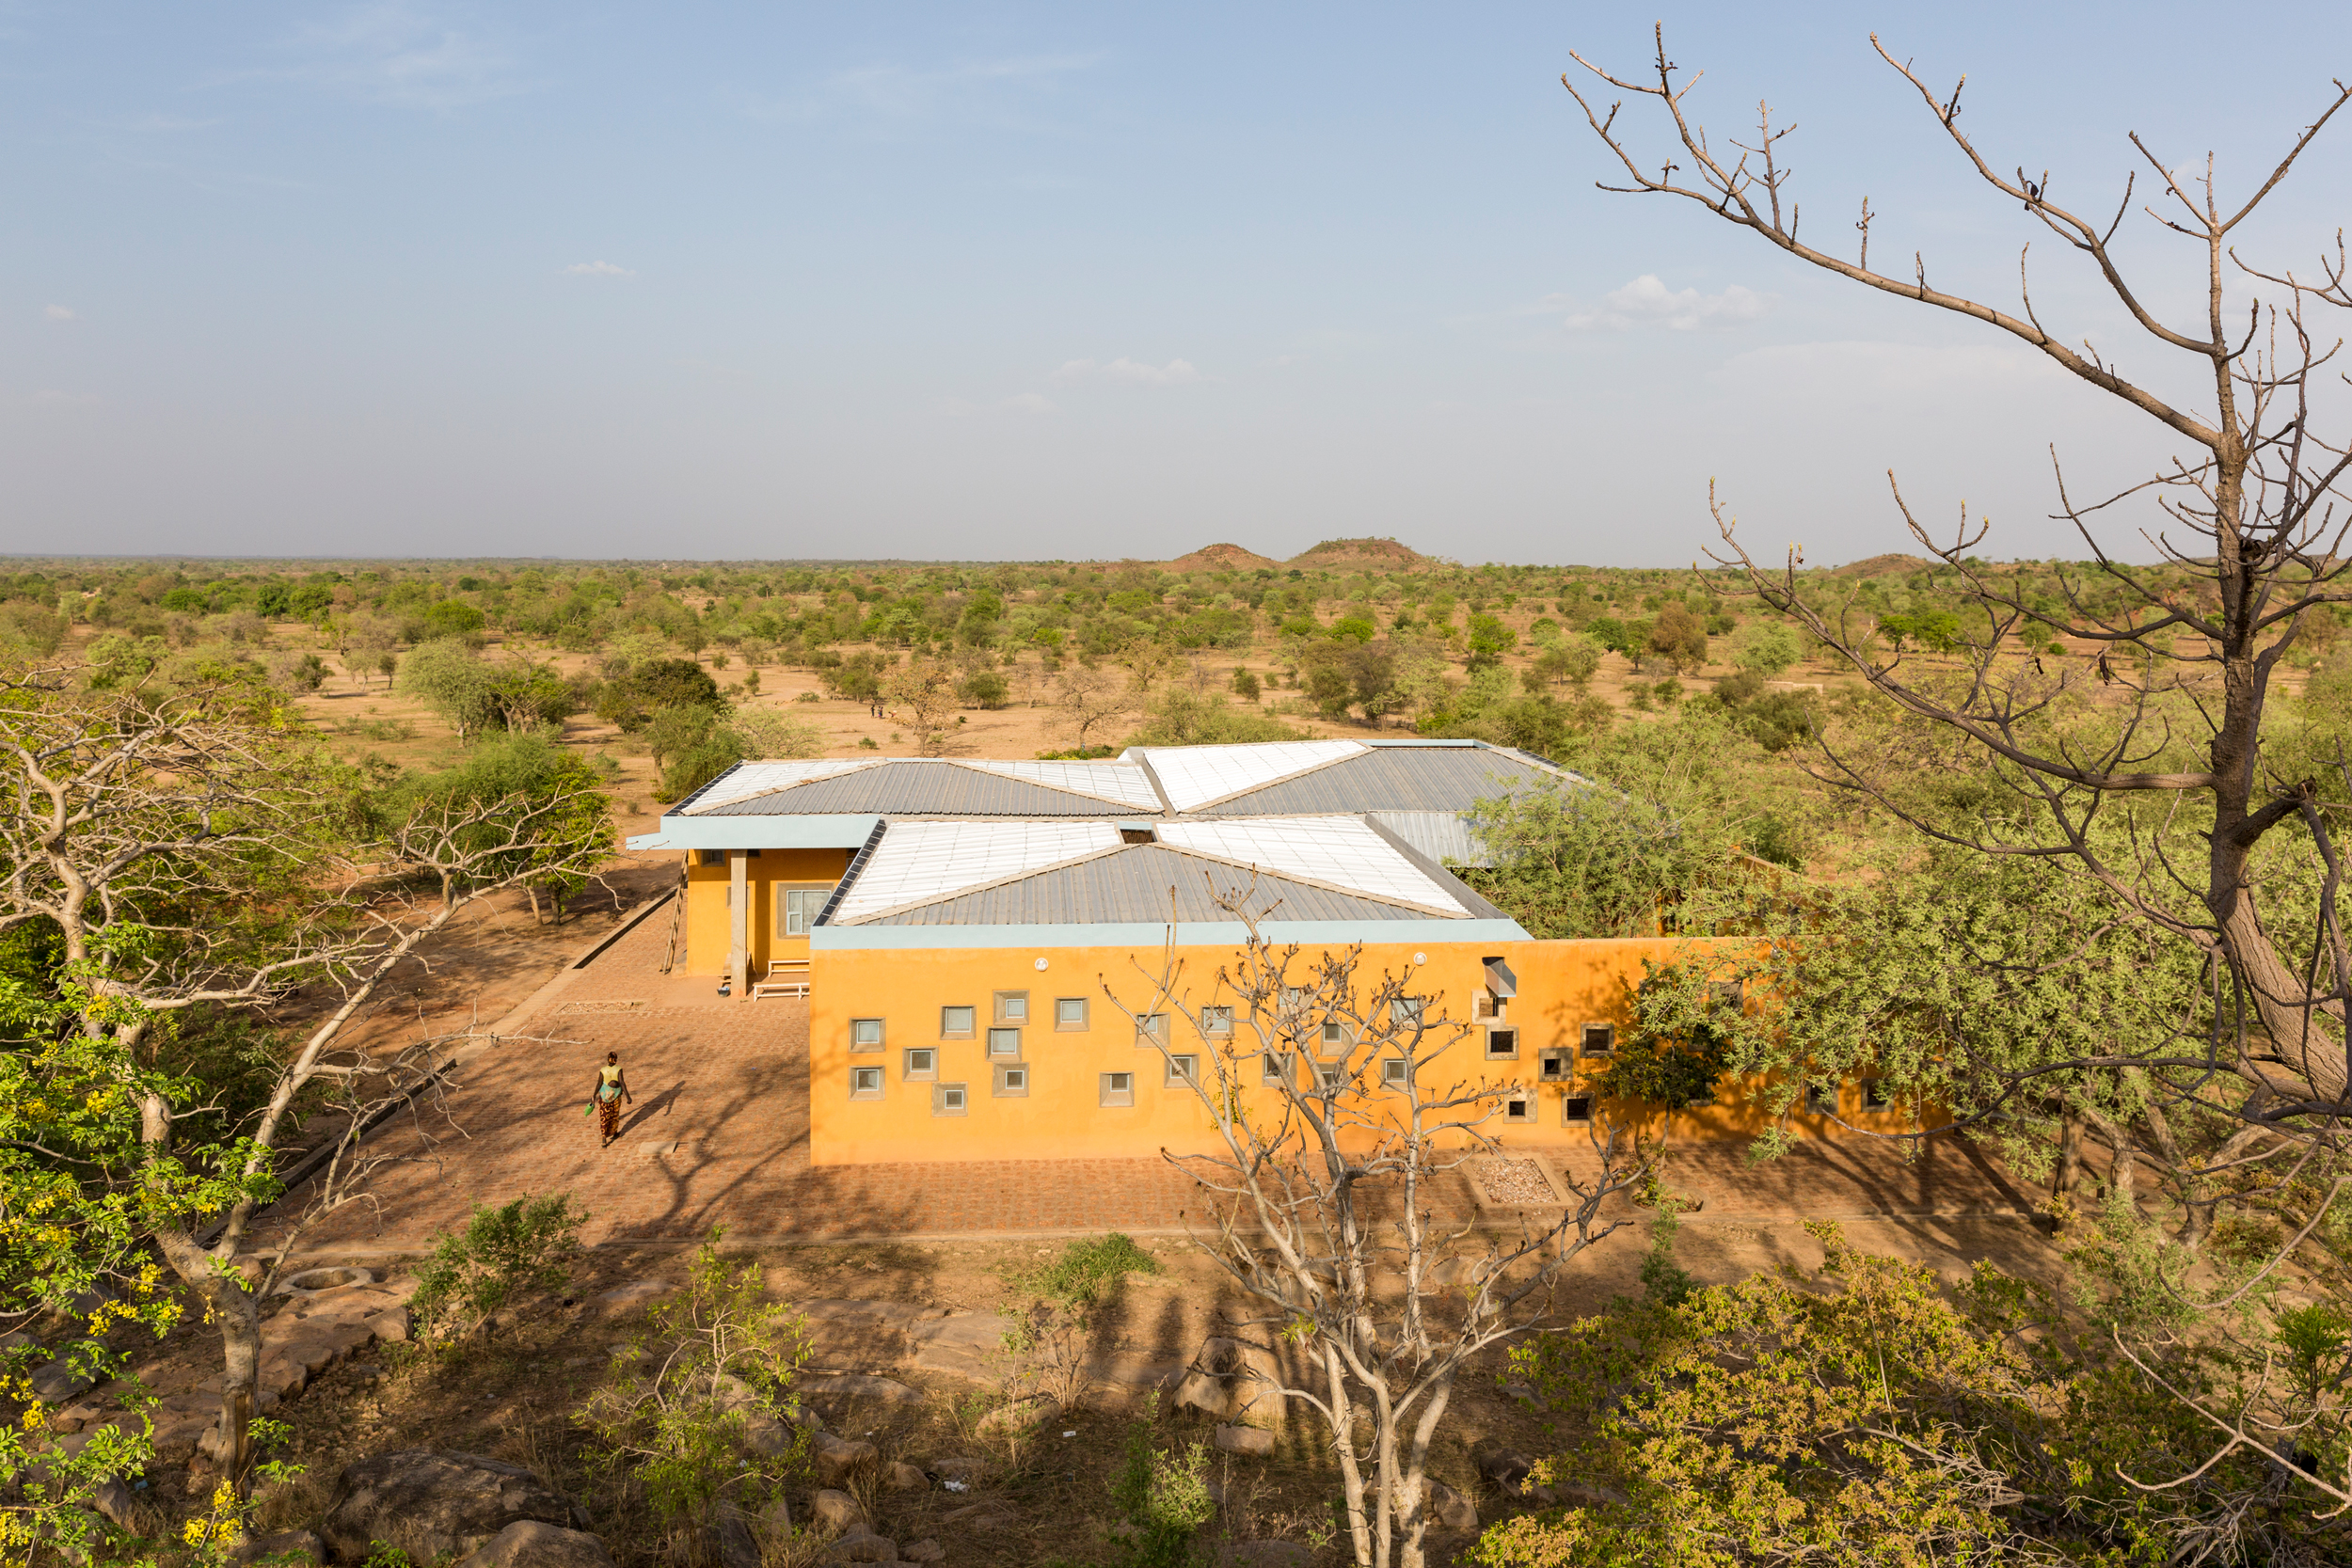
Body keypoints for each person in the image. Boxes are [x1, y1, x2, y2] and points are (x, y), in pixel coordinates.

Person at [586, 1052, 633, 1148]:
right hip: (615, 1095)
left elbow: (599, 1083)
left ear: (608, 1059)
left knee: (604, 1116)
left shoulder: (603, 1070)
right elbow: (622, 1082)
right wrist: (628, 1096)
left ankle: (604, 1138)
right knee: (614, 1115)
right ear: (615, 1059)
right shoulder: (618, 1069)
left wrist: (594, 1095)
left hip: (604, 1095)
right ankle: (614, 1132)